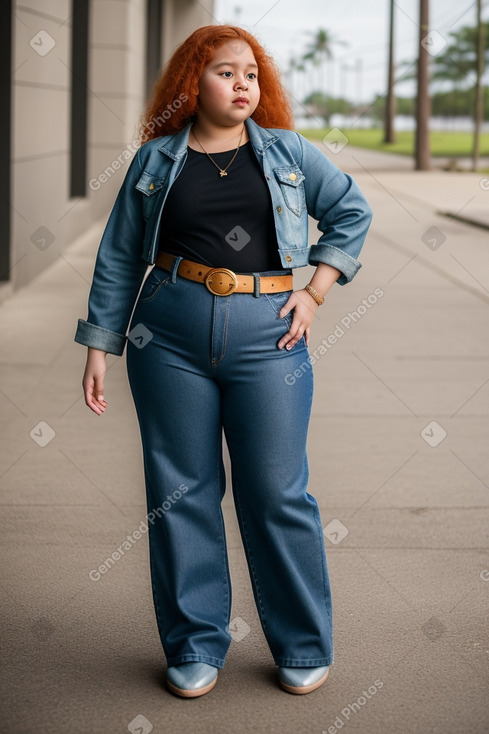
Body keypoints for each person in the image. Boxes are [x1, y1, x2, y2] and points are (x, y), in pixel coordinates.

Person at [74, 24, 372, 698]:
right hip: (167, 336)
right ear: (192, 82)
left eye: (251, 75)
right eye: (225, 72)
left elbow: (351, 212)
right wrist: (100, 342)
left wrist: (316, 292)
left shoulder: (289, 152)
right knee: (181, 490)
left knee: (276, 490)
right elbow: (120, 255)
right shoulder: (154, 161)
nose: (242, 85)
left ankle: (301, 642)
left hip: (270, 338)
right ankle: (195, 643)